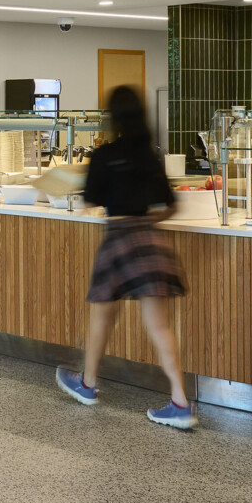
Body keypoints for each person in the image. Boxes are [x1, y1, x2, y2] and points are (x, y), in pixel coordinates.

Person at [56, 85, 195, 429]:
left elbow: (90, 202)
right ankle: (180, 402)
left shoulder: (104, 155)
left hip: (117, 240)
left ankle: (88, 384)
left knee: (103, 316)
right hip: (149, 240)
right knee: (160, 326)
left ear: (112, 116)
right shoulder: (150, 155)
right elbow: (172, 207)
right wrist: (146, 222)